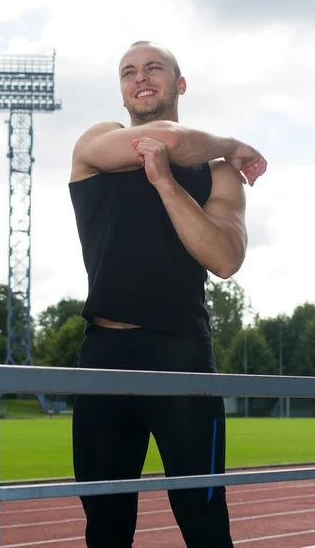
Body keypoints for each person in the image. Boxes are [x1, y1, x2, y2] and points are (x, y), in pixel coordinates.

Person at [68, 40, 267, 548]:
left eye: (153, 68)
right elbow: (164, 140)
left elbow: (225, 259)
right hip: (103, 357)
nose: (140, 77)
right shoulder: (97, 144)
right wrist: (231, 140)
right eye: (128, 71)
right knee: (105, 531)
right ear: (121, 89)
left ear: (179, 83)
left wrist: (167, 186)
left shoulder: (218, 171)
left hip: (183, 358)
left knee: (204, 524)